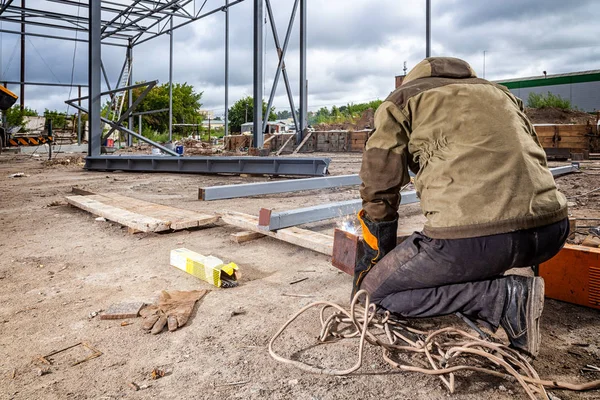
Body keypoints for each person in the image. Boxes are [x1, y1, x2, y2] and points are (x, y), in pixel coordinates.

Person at [354, 57, 569, 357]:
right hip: (552, 230)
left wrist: (376, 258)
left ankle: (503, 298)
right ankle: (507, 283)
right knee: (481, 248)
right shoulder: (500, 93)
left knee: (374, 294)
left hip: (475, 242)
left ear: (412, 79)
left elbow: (379, 187)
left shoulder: (403, 100)